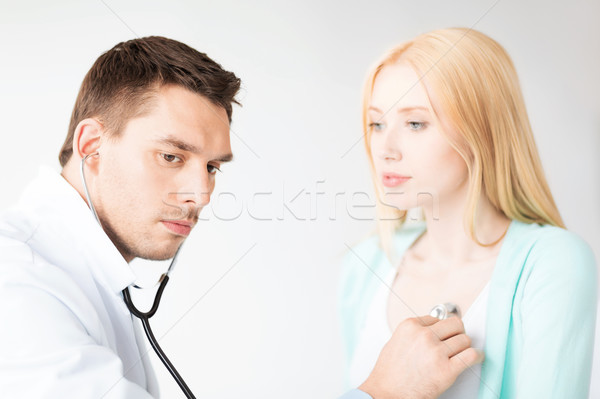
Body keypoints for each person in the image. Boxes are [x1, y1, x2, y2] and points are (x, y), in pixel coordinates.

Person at [0, 36, 481, 398]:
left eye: (211, 167)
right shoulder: (17, 282)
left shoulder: (87, 272)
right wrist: (381, 392)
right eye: (171, 156)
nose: (201, 193)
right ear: (92, 146)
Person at [339, 27, 598, 399]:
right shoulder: (363, 266)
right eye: (377, 124)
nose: (385, 148)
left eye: (415, 123)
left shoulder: (553, 264)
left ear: (482, 128)